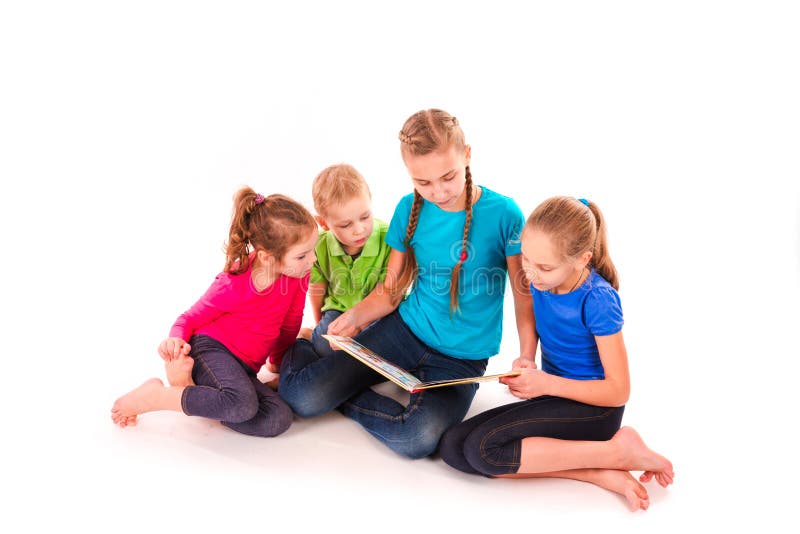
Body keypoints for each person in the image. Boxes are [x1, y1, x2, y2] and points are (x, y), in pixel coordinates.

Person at [279, 109, 536, 458]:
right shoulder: (408, 210)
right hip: (402, 333)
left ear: (468, 155)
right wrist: (352, 317)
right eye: (423, 182)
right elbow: (390, 291)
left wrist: (526, 357)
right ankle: (306, 349)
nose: (439, 192)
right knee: (303, 398)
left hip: (461, 361)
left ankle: (342, 397)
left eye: (448, 177)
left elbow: (524, 297)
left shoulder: (505, 215)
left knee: (417, 439)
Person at [438, 196, 674, 511]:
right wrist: (527, 358)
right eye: (526, 260)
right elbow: (532, 317)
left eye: (544, 267)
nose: (531, 274)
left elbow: (619, 391)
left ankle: (618, 452)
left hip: (595, 411)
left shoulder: (598, 300)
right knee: (453, 448)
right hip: (554, 398)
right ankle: (596, 472)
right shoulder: (543, 279)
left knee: (484, 451)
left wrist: (546, 384)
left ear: (581, 259)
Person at [111, 188, 318, 437]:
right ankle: (160, 396)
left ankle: (196, 393)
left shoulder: (297, 276)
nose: (313, 260)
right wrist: (176, 340)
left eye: (313, 250)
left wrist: (277, 361)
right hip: (211, 351)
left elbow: (290, 322)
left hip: (245, 368)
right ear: (267, 257)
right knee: (241, 404)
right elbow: (190, 318)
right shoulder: (236, 280)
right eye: (302, 255)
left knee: (278, 419)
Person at [302, 163, 391, 356]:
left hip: (376, 313)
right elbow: (317, 290)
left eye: (365, 217)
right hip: (338, 311)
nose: (359, 229)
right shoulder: (319, 246)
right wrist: (320, 327)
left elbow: (388, 292)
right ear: (324, 223)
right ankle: (310, 336)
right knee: (324, 345)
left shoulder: (387, 237)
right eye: (346, 224)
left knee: (383, 346)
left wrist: (362, 322)